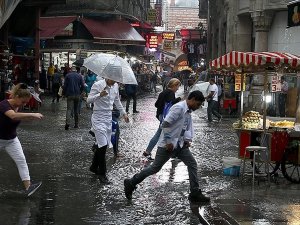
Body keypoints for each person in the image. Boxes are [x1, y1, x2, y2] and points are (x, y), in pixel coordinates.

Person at [124, 90, 210, 203]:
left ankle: (194, 193)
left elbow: (186, 126)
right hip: (167, 145)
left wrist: (187, 140)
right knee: (155, 168)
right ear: (192, 99)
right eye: (198, 104)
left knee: (192, 164)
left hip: (179, 145)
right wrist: (169, 141)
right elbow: (165, 124)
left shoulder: (188, 111)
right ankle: (131, 182)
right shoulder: (178, 108)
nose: (198, 107)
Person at [0, 83, 43, 196]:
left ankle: (28, 188)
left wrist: (29, 118)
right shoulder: (3, 104)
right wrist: (32, 115)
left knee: (21, 161)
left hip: (11, 140)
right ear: (17, 97)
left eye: (26, 102)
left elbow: (16, 118)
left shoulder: (17, 105)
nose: (24, 104)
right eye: (23, 102)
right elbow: (13, 116)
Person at [87, 78, 129, 184]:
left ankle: (93, 166)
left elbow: (117, 101)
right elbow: (88, 100)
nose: (115, 81)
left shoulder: (115, 86)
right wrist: (99, 95)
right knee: (103, 145)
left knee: (102, 144)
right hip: (98, 117)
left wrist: (124, 113)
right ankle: (102, 173)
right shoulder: (98, 85)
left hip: (108, 118)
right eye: (113, 79)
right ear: (108, 76)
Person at [142, 78, 181, 161]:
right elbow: (171, 105)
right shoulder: (171, 93)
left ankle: (148, 151)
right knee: (167, 133)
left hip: (161, 116)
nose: (178, 88)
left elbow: (156, 104)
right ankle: (173, 153)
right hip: (166, 117)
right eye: (177, 86)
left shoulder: (163, 92)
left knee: (162, 133)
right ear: (174, 85)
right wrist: (178, 100)